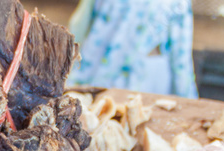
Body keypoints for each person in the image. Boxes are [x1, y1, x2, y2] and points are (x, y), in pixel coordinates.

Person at [68, 0, 199, 97]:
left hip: (103, 77)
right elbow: (181, 59)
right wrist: (189, 101)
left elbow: (78, 27)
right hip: (145, 81)